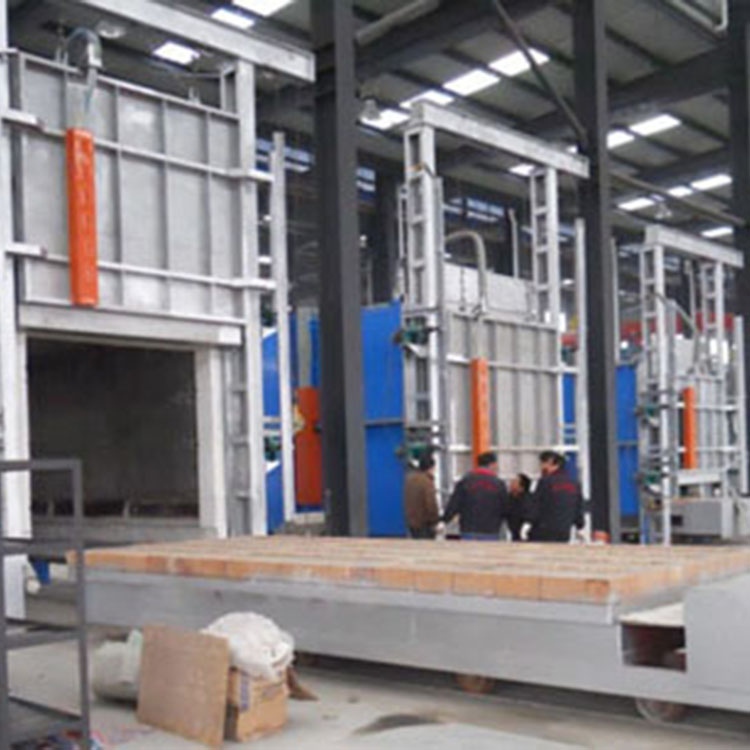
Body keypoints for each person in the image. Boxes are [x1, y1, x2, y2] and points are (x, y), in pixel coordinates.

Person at [442, 451, 510, 540]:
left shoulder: (465, 482)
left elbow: (454, 505)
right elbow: (506, 508)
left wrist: (444, 520)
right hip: (491, 531)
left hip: (468, 530)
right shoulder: (499, 484)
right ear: (493, 465)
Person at [527, 451, 584, 542]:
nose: (541, 467)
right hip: (564, 531)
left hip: (542, 530)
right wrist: (580, 526)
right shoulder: (574, 483)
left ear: (550, 462)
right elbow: (578, 506)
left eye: (543, 463)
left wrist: (528, 522)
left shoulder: (545, 481)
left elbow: (536, 504)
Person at [403, 452, 440, 539]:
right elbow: (431, 504)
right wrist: (435, 521)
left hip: (412, 523)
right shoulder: (427, 482)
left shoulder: (409, 479)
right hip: (424, 524)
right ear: (431, 468)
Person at [507, 472, 531, 541]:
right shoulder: (508, 498)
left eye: (514, 482)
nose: (511, 483)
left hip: (524, 536)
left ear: (521, 488)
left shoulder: (528, 501)